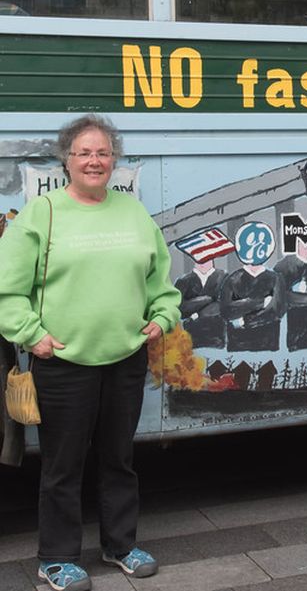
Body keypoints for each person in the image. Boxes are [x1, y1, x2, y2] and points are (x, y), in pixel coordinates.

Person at [0, 114, 181, 590]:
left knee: (119, 457)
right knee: (63, 464)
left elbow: (160, 281)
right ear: (67, 159)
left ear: (114, 160)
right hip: (62, 361)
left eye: (102, 152)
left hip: (125, 358)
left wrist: (161, 319)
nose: (94, 161)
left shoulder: (132, 213)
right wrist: (30, 334)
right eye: (84, 153)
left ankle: (119, 545)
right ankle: (55, 558)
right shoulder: (43, 213)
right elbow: (8, 289)